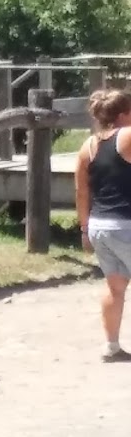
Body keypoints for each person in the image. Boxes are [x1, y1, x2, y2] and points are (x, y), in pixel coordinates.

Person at [74, 88, 131, 363]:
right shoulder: (127, 135)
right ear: (122, 115)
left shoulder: (89, 146)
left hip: (100, 224)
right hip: (126, 224)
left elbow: (82, 191)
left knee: (114, 286)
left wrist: (84, 229)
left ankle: (112, 346)